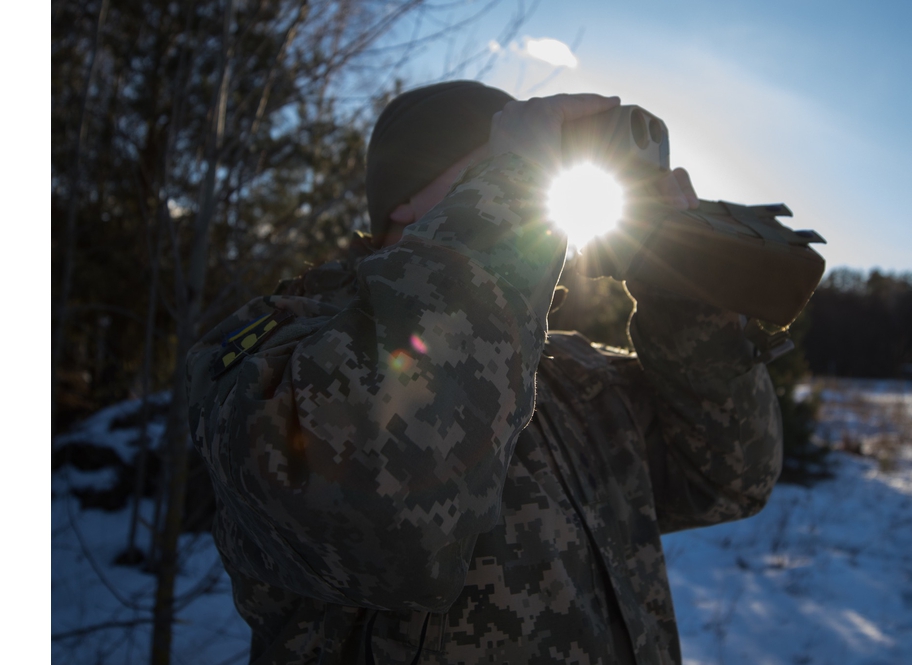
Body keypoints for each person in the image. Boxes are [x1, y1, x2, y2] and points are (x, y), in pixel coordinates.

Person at [187, 80, 782, 665]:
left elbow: (727, 479)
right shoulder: (289, 346)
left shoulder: (572, 370)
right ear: (407, 200)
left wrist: (682, 294)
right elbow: (376, 514)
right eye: (499, 162)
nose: (532, 180)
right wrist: (511, 183)